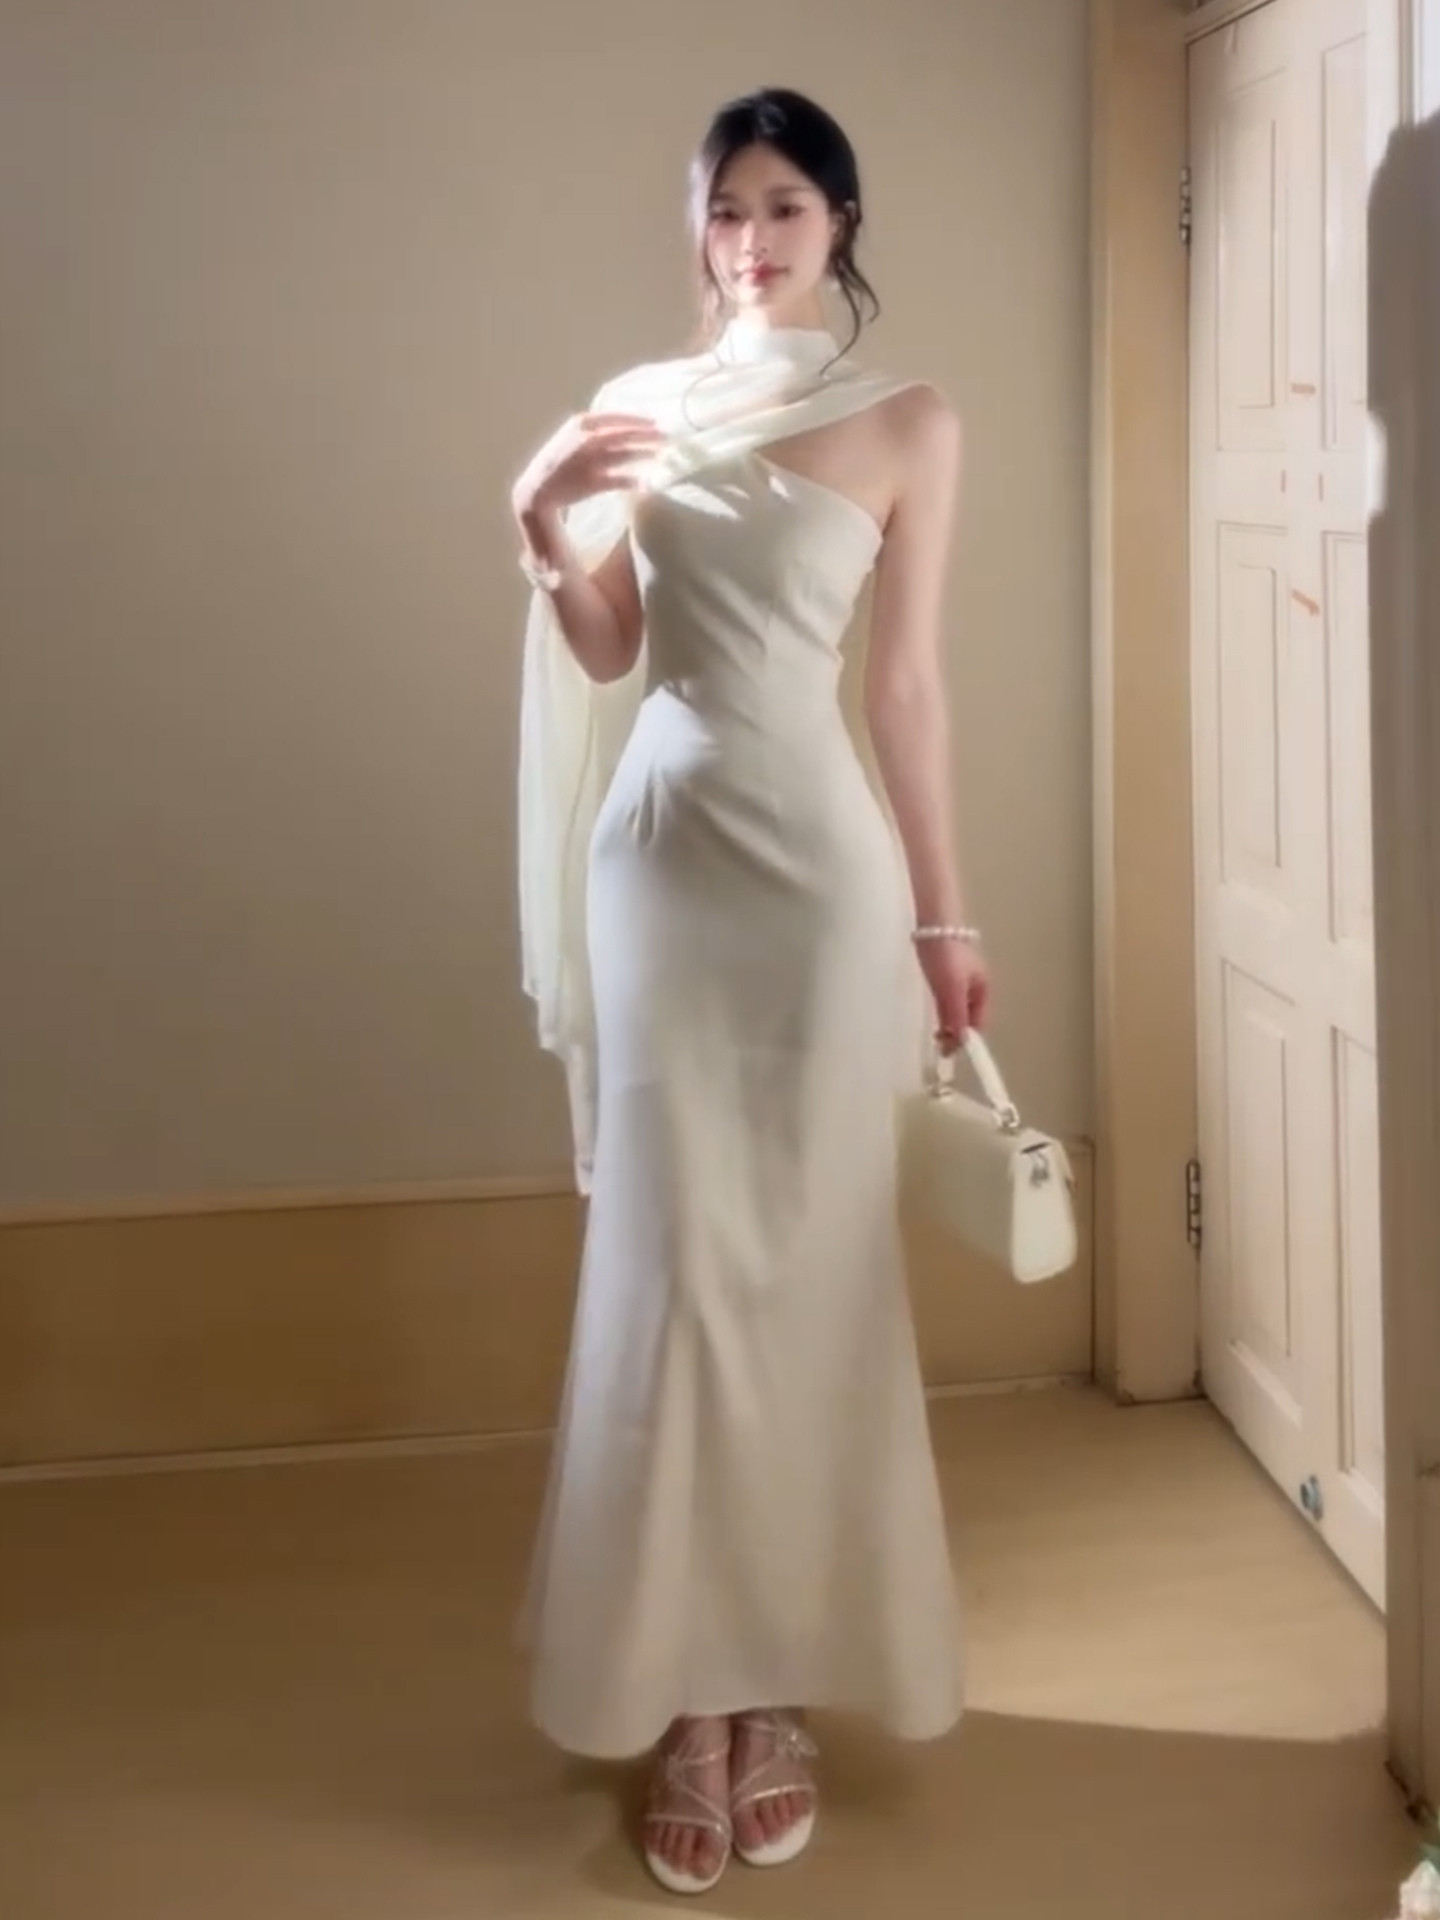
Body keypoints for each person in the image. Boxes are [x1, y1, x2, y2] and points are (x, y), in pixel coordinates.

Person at [508, 86, 989, 1897]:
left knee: (809, 1264)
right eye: (728, 208)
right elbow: (614, 648)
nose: (755, 238)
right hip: (663, 860)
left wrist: (945, 922)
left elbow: (908, 691)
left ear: (840, 224)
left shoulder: (908, 420)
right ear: (698, 228)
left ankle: (773, 1684)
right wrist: (539, 524)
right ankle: (688, 1701)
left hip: (821, 876)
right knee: (674, 1271)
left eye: (788, 206)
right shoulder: (643, 407)